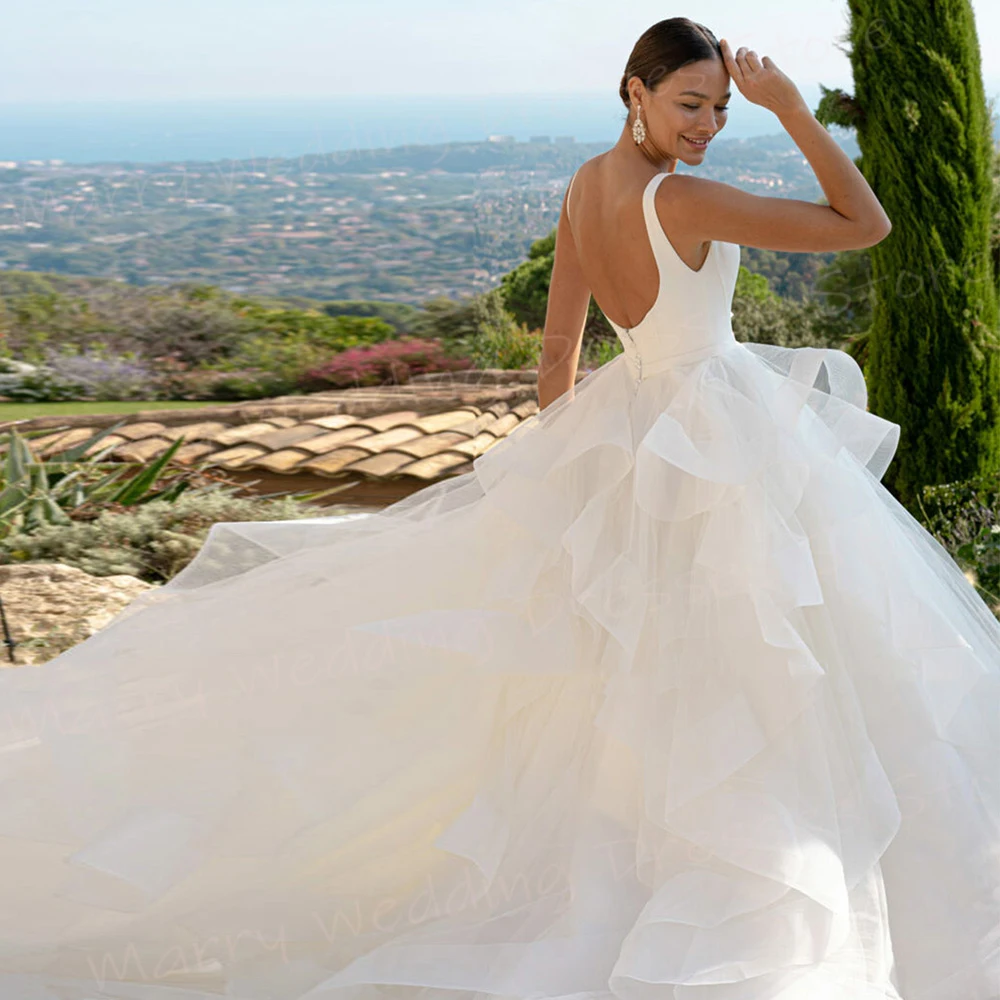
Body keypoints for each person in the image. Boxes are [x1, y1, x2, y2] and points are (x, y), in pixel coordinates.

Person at [1, 16, 998, 1000]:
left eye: (724, 109)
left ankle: (646, 860)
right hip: (719, 436)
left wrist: (593, 473)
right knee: (766, 663)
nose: (707, 125)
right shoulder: (680, 199)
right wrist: (790, 110)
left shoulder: (581, 188)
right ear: (634, 91)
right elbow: (863, 224)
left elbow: (556, 370)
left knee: (643, 673)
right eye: (691, 103)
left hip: (640, 434)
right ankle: (744, 874)